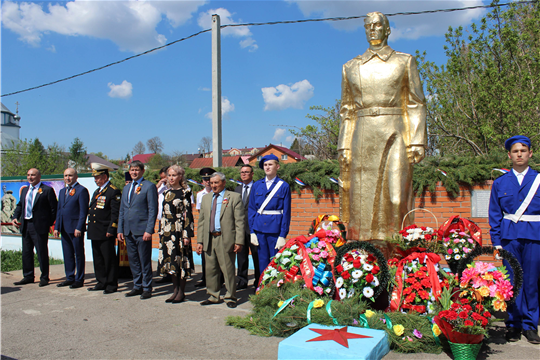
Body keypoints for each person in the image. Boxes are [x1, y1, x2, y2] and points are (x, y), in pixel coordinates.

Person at [338, 11, 427, 241]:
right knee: (361, 197)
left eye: (378, 25)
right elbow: (347, 110)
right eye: (368, 26)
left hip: (395, 130)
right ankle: (363, 253)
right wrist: (344, 146)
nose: (373, 29)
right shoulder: (350, 66)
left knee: (396, 196)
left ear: (387, 30)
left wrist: (417, 140)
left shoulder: (404, 61)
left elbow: (416, 102)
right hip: (362, 132)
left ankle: (400, 250)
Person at [489, 135, 540, 344]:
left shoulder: (538, 179)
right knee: (511, 282)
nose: (519, 154)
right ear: (509, 155)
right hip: (509, 238)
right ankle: (513, 324)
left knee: (531, 282)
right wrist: (497, 242)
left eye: (523, 150)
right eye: (515, 151)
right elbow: (494, 214)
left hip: (535, 237)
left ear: (530, 153)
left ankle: (530, 325)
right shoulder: (501, 183)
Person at [196, 172, 245, 308]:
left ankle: (230, 297)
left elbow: (239, 221)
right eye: (211, 183)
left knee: (227, 269)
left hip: (226, 238)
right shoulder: (206, 198)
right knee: (210, 269)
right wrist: (199, 241)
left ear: (223, 183)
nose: (213, 186)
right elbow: (201, 222)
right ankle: (213, 296)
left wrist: (239, 241)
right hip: (209, 238)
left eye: (216, 183)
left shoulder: (234, 197)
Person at [118, 160, 158, 300]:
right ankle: (137, 285)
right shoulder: (126, 188)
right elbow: (123, 210)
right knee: (133, 260)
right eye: (132, 170)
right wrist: (120, 229)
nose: (134, 172)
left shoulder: (149, 186)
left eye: (137, 170)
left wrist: (149, 229)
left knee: (144, 260)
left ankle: (147, 287)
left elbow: (152, 210)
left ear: (142, 171)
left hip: (142, 230)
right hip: (128, 230)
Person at [11, 168, 58, 287]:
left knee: (41, 252)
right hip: (26, 224)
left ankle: (44, 277)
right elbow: (20, 205)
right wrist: (15, 217)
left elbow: (53, 209)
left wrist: (47, 223)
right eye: (28, 175)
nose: (30, 177)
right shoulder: (26, 190)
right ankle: (28, 276)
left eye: (33, 175)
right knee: (26, 252)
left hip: (39, 226)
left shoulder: (47, 190)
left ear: (39, 176)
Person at [248, 154, 291, 277]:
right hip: (259, 229)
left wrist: (283, 235)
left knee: (275, 261)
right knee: (261, 262)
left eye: (270, 164)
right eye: (265, 165)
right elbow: (251, 209)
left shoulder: (283, 186)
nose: (267, 167)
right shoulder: (257, 185)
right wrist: (252, 231)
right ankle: (261, 290)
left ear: (277, 166)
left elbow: (286, 213)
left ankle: (273, 290)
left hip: (275, 230)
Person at [158, 165, 194, 303]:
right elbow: (163, 213)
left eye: (174, 175)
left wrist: (186, 235)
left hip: (179, 231)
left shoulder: (185, 192)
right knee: (171, 261)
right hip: (167, 230)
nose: (171, 178)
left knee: (180, 261)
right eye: (169, 175)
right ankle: (175, 290)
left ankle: (181, 292)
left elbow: (188, 215)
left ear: (180, 176)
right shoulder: (166, 192)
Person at [87, 163, 121, 294]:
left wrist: (111, 229)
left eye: (98, 177)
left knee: (109, 259)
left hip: (105, 231)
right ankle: (101, 281)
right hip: (95, 229)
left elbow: (114, 213)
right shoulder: (98, 191)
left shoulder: (113, 191)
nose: (96, 180)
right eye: (95, 178)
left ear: (105, 177)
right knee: (98, 258)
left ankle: (111, 284)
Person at [54, 168, 90, 288]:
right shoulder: (62, 191)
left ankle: (79, 279)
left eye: (70, 175)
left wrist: (79, 227)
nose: (67, 178)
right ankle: (70, 277)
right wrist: (57, 227)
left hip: (75, 229)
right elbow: (60, 210)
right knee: (67, 253)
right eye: (65, 176)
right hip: (64, 228)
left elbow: (83, 212)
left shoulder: (81, 191)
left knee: (78, 254)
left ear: (76, 177)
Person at [234, 164, 259, 289]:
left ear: (252, 174)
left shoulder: (258, 187)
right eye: (242, 172)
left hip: (254, 228)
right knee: (241, 256)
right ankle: (242, 280)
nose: (243, 174)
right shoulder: (237, 189)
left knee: (256, 256)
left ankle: (258, 281)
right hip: (240, 228)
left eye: (246, 172)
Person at [194, 167, 216, 288]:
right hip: (206, 226)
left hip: (217, 227)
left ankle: (219, 278)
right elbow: (199, 211)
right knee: (204, 253)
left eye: (209, 179)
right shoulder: (200, 195)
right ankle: (205, 278)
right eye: (205, 179)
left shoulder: (219, 193)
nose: (207, 182)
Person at [155, 166, 172, 284]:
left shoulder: (177, 188)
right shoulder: (160, 188)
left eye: (165, 177)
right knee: (163, 248)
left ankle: (172, 273)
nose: (164, 180)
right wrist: (159, 184)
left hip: (173, 223)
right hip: (162, 221)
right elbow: (150, 194)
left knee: (171, 249)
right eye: (162, 178)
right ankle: (164, 272)